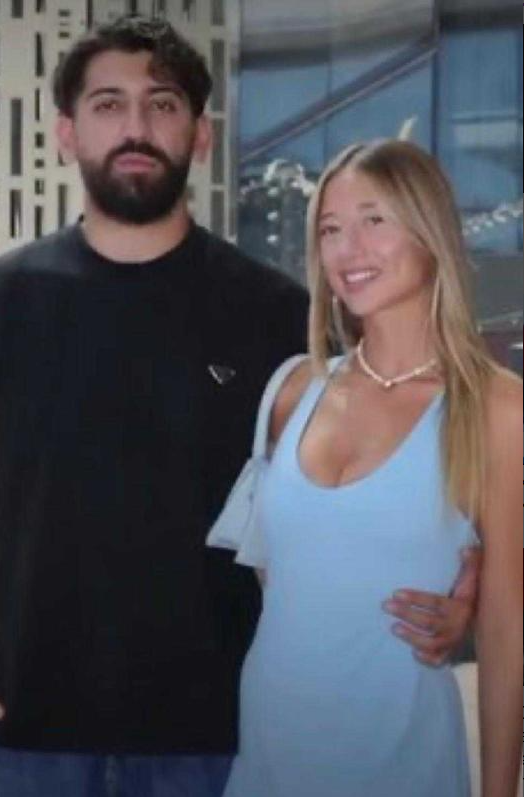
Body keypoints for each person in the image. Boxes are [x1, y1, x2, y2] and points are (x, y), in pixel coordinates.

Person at [0, 18, 478, 797]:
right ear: (66, 133)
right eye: (107, 104)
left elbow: (387, 470)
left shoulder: (278, 317)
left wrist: (466, 587)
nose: (135, 127)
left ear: (200, 136)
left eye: (162, 104)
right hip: (27, 742)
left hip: (217, 745)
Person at [209, 139, 522, 797]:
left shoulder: (496, 409)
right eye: (329, 229)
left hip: (402, 765)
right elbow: (276, 577)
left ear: (429, 230)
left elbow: (506, 633)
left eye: (373, 220)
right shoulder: (291, 390)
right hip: (268, 763)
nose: (347, 250)